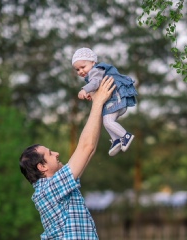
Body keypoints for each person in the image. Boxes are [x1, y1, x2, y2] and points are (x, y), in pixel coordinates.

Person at [19, 76, 115, 240]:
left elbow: (89, 151)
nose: (56, 154)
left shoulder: (55, 187)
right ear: (42, 167)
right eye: (50, 154)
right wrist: (98, 102)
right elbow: (86, 147)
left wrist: (99, 106)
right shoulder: (50, 189)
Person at [72, 47, 138, 156]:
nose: (81, 71)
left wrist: (85, 89)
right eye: (77, 70)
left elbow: (95, 82)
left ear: (93, 62)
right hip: (114, 101)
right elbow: (97, 85)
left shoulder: (95, 70)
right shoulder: (95, 73)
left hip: (115, 100)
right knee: (106, 121)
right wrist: (90, 93)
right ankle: (116, 140)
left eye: (83, 67)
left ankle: (125, 136)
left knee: (108, 121)